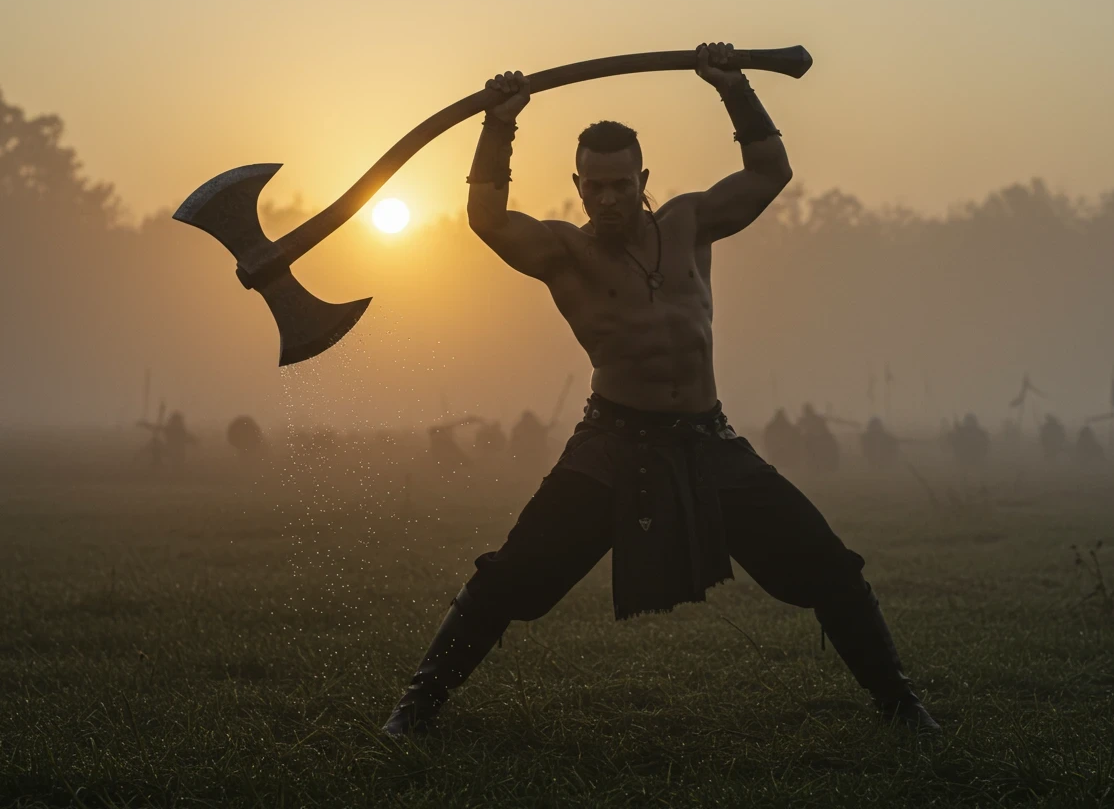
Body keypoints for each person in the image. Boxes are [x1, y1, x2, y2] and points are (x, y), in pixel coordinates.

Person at [384, 42, 939, 737]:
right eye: (596, 185)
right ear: (578, 186)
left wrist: (733, 88)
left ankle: (902, 708)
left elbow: (770, 171)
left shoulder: (688, 224)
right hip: (612, 445)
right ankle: (416, 706)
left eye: (622, 184)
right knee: (512, 579)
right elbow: (488, 219)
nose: (610, 198)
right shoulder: (566, 254)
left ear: (643, 179)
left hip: (709, 442)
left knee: (829, 567)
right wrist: (500, 125)